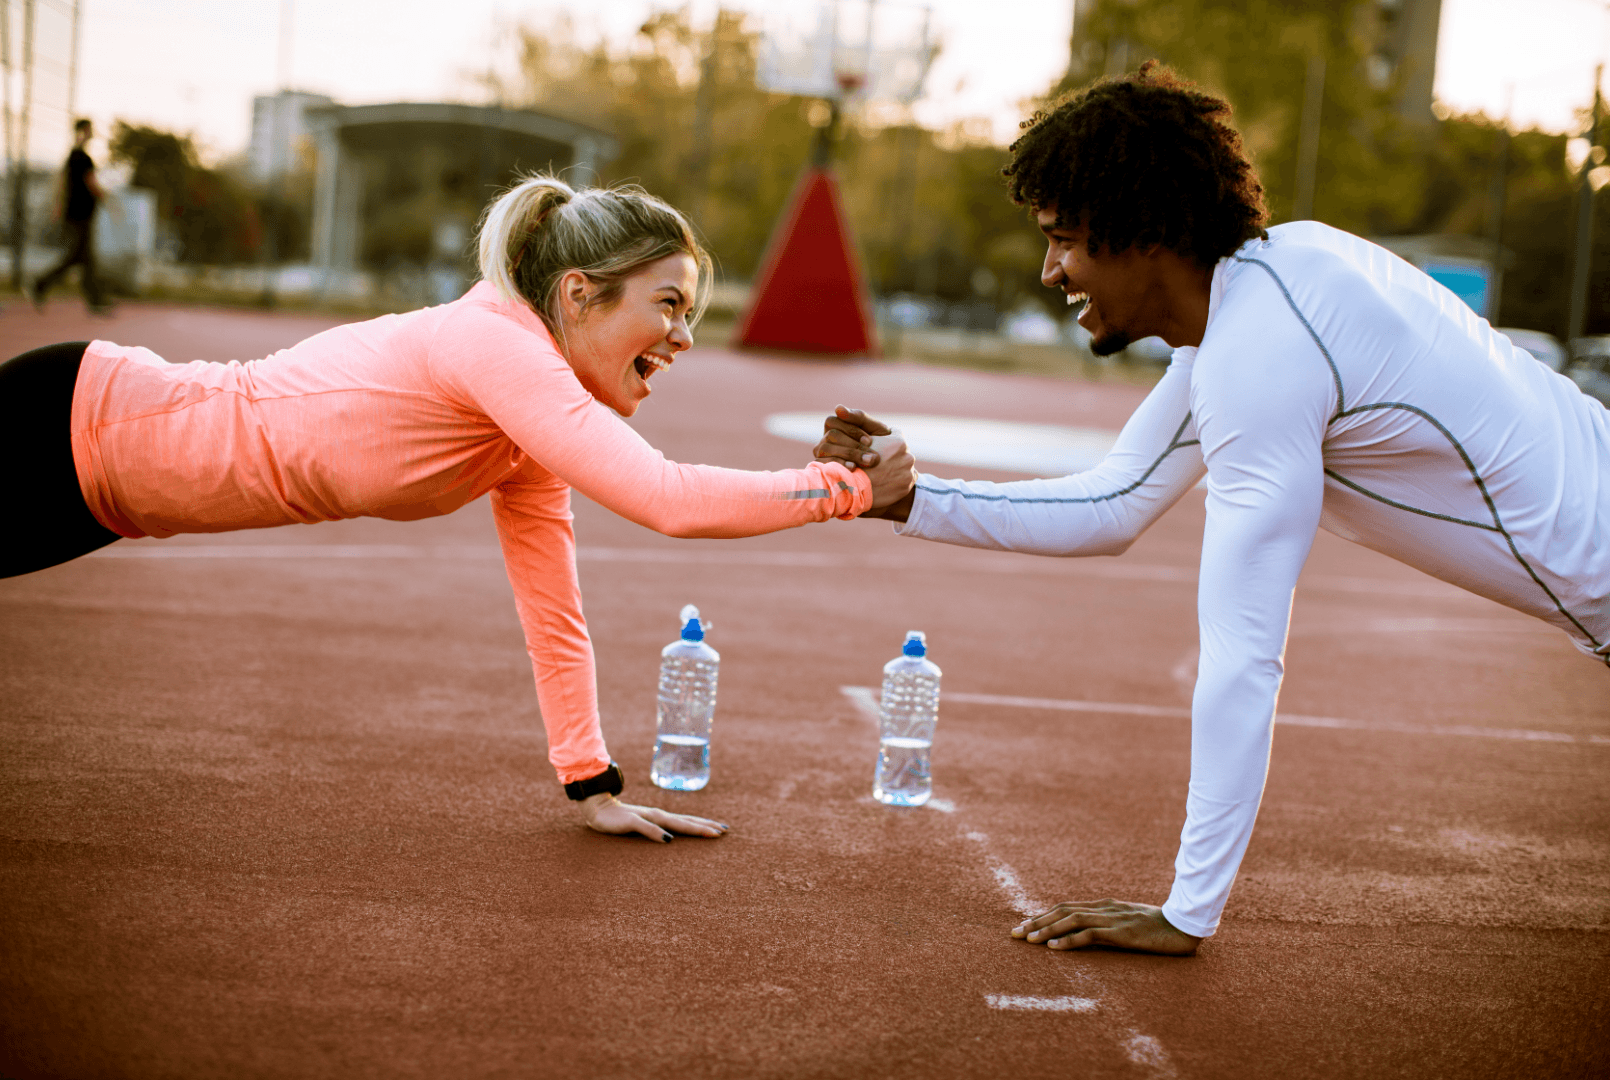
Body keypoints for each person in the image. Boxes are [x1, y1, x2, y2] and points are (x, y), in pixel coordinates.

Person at [817, 62, 1610, 956]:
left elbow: (1243, 659)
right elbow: (1112, 504)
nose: (1049, 270)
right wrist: (910, 499)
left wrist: (1186, 910)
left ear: (1145, 230)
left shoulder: (1257, 351)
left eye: (1065, 238)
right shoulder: (1266, 294)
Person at [1, 173, 916, 843]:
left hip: (100, 500)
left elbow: (553, 610)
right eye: (669, 304)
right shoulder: (492, 343)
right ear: (577, 295)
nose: (684, 335)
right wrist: (846, 491)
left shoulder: (525, 426)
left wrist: (590, 783)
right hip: (66, 419)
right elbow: (663, 498)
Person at [33, 118, 110, 313]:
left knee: (83, 258)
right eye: (89, 130)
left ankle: (94, 300)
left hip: (75, 213)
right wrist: (108, 199)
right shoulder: (82, 158)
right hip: (80, 214)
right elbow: (91, 183)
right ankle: (41, 284)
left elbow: (63, 183)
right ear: (83, 131)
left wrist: (58, 207)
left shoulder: (72, 156)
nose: (92, 133)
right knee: (80, 257)